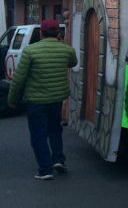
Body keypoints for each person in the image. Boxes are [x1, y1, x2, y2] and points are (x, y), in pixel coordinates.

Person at [8, 19, 77, 180]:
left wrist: (12, 100)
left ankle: (45, 169)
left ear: (41, 33)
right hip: (57, 99)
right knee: (55, 129)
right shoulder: (67, 50)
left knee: (38, 133)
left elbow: (18, 79)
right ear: (59, 33)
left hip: (35, 101)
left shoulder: (30, 51)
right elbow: (73, 62)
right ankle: (58, 160)